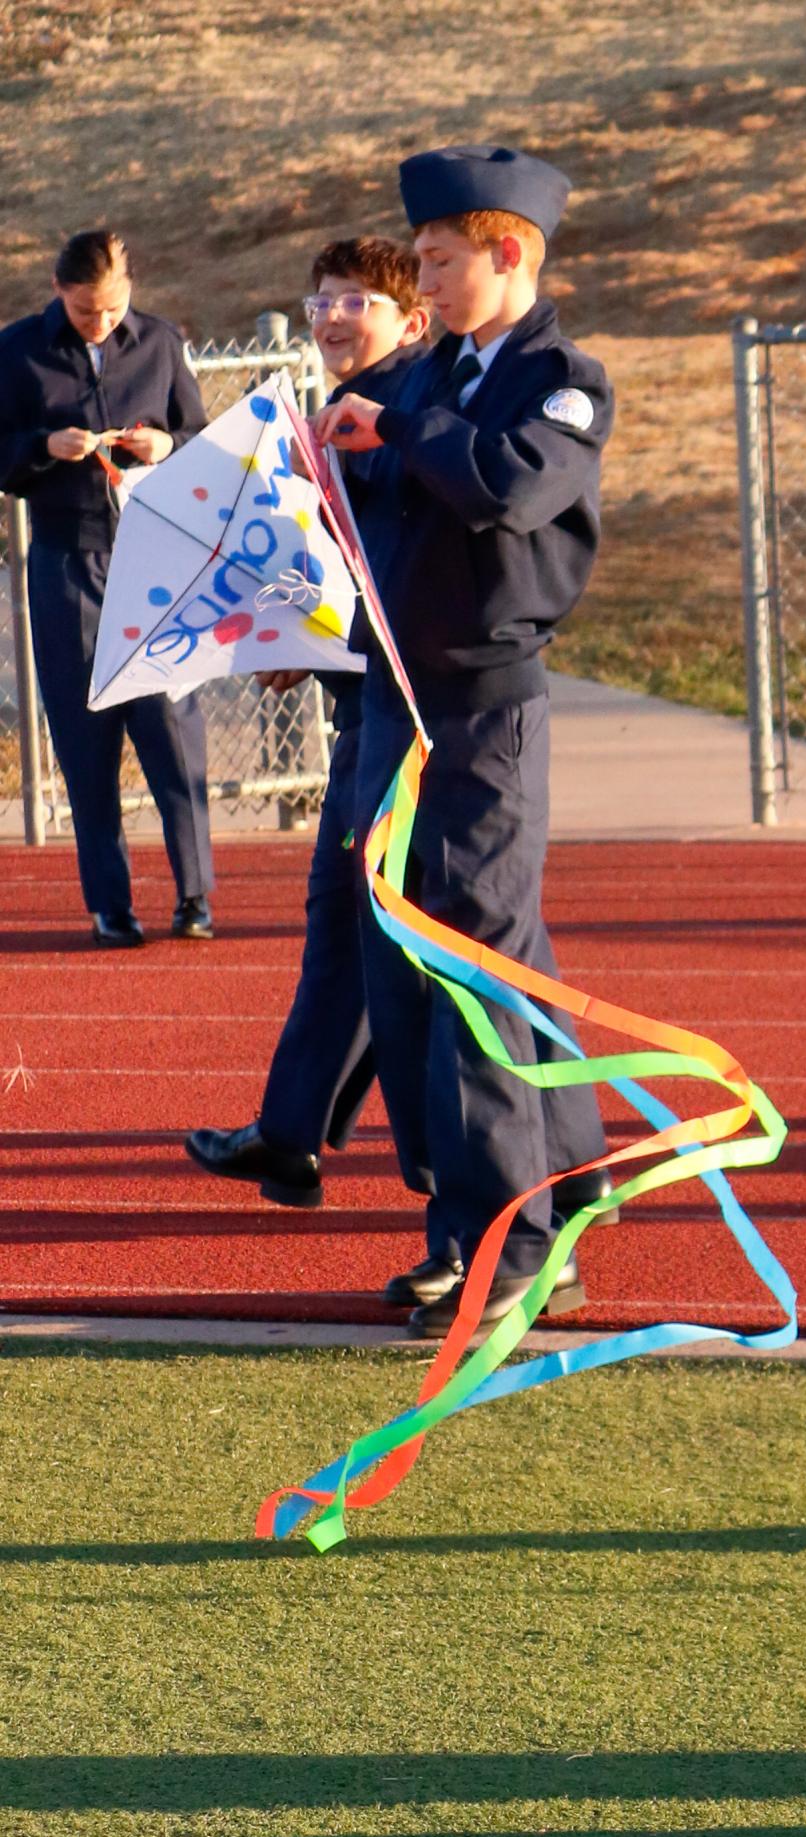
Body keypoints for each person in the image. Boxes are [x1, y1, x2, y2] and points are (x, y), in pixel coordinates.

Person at [310, 145, 614, 1334]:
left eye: (439, 258)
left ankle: (510, 1246)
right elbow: (396, 497)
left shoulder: (562, 378)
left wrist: (398, 432)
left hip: (485, 706)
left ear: (510, 255)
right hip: (398, 700)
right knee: (408, 968)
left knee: (472, 968)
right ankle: (538, 1197)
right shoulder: (431, 373)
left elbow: (512, 488)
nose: (422, 278)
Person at [185, 237, 430, 1205]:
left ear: (410, 322)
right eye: (322, 298)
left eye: (358, 301)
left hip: (411, 724)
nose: (332, 316)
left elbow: (409, 585)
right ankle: (289, 1138)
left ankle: (501, 1179)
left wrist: (322, 641)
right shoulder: (336, 421)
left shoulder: (405, 418)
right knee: (342, 922)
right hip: (362, 709)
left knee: (408, 942)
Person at [0, 229, 214, 946]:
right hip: (66, 559)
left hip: (153, 558)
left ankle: (195, 895)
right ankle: (110, 905)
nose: (103, 323)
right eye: (88, 311)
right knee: (86, 739)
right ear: (59, 292)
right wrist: (41, 448)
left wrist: (168, 447)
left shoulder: (159, 342)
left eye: (115, 308)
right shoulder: (19, 349)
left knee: (172, 732)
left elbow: (200, 437)